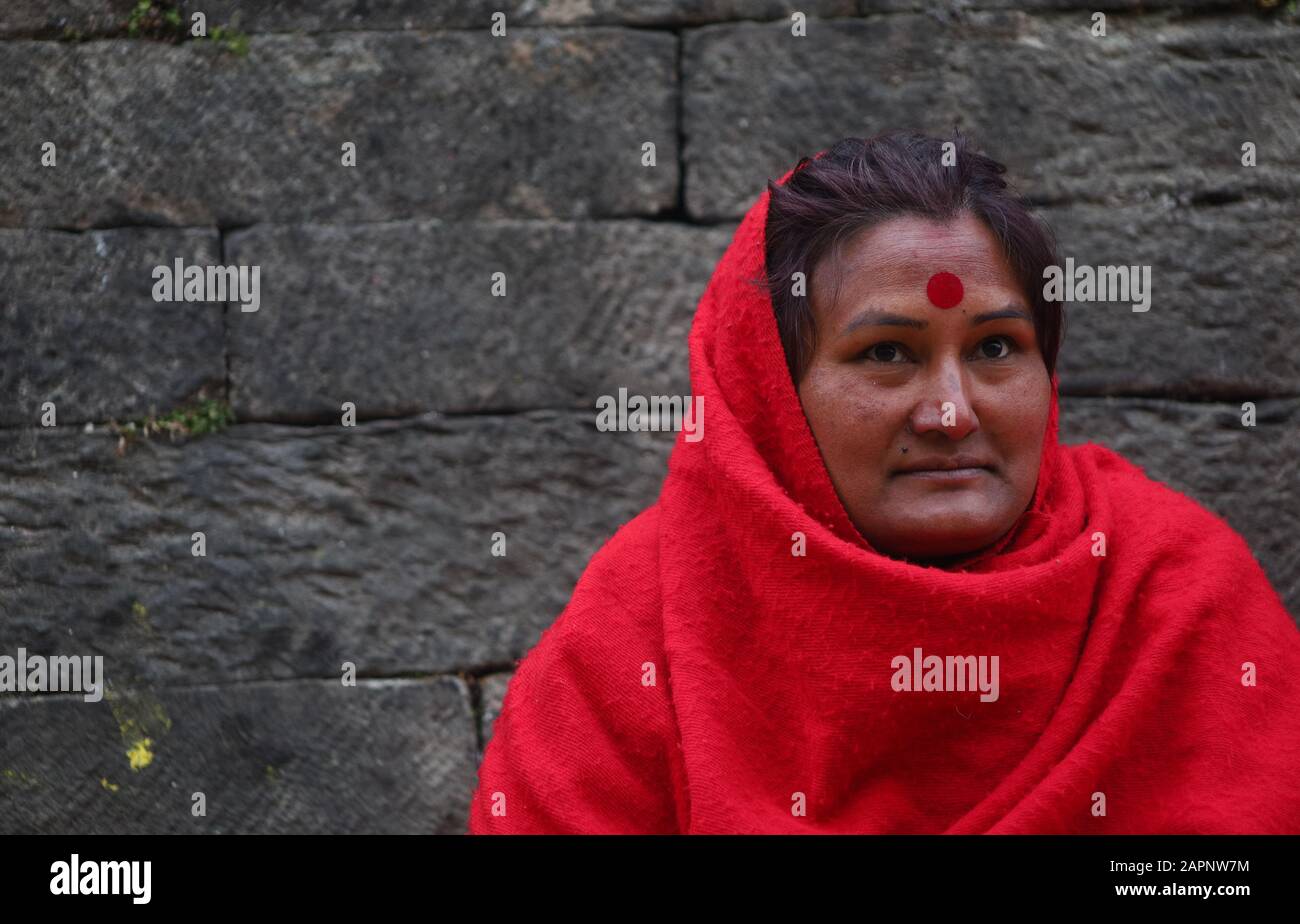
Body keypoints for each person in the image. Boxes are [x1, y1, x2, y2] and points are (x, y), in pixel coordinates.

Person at [467, 130, 1300, 834]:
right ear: (771, 390)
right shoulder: (641, 628)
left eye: (996, 347)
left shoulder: (1174, 592)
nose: (950, 412)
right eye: (887, 354)